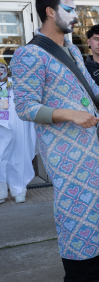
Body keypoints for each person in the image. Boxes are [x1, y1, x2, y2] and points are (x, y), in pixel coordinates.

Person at [11, 0, 99, 282]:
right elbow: (25, 107)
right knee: (75, 209)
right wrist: (71, 115)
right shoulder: (30, 54)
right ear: (50, 12)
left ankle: (96, 270)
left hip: (90, 143)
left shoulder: (74, 52)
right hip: (63, 149)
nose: (75, 15)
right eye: (69, 9)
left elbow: (94, 93)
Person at [0, 57, 37, 204]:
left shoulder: (15, 85)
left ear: (6, 70)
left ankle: (19, 190)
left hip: (17, 125)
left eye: (1, 68)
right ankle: (1, 192)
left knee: (19, 156)